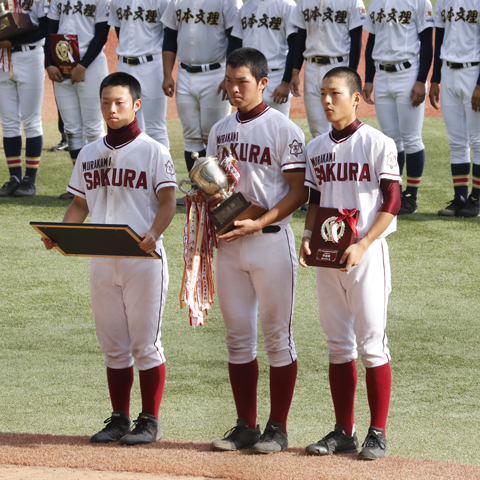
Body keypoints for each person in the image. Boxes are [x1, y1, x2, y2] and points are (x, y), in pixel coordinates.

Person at [41, 72, 177, 445]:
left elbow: (168, 202)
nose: (111, 109)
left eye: (119, 102)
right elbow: (80, 203)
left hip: (143, 258)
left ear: (136, 105)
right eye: (105, 102)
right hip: (102, 257)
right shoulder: (89, 152)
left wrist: (155, 233)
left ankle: (149, 420)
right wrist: (61, 233)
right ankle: (119, 418)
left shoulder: (153, 150)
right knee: (113, 345)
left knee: (146, 344)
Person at [207, 47, 308, 454]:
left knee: (277, 338)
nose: (233, 89)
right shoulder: (219, 130)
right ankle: (246, 425)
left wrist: (259, 221)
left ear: (262, 83)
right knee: (237, 338)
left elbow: (299, 192)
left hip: (270, 242)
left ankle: (278, 428)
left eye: (241, 82)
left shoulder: (284, 129)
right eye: (229, 81)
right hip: (230, 245)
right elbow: (216, 186)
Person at [299, 67, 400, 460]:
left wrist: (365, 243)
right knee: (337, 345)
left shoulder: (377, 143)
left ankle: (378, 432)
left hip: (366, 255)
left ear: (355, 98)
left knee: (372, 343)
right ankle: (344, 430)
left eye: (335, 93)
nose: (326, 100)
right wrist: (307, 239)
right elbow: (314, 200)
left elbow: (392, 199)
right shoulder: (316, 147)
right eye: (322, 93)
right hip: (327, 257)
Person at [362, 0, 433, 215]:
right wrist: (369, 78)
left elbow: (427, 42)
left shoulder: (419, 2)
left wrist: (421, 80)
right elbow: (371, 41)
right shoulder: (376, 3)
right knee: (390, 139)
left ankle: (411, 195)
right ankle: (395, 194)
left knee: (411, 138)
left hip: (408, 74)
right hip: (382, 75)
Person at [161, 0, 241, 179]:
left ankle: (219, 189)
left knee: (214, 135)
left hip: (215, 73)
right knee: (190, 136)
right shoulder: (176, 2)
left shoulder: (227, 2)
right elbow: (169, 38)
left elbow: (235, 39)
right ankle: (197, 190)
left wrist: (228, 76)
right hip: (184, 73)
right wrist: (167, 74)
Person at [45, 0, 111, 199]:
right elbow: (50, 30)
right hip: (61, 65)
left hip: (90, 67)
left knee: (93, 127)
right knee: (72, 129)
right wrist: (49, 63)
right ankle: (81, 186)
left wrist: (83, 65)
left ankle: (100, 184)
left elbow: (101, 34)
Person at [429, 0, 480, 217]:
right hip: (448, 71)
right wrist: (435, 79)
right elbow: (439, 39)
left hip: (473, 71)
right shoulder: (444, 1)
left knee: (477, 139)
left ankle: (476, 199)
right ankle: (460, 198)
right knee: (456, 140)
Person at [289, 0, 365, 139]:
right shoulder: (304, 2)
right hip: (311, 69)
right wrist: (295, 72)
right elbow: (300, 37)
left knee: (341, 125)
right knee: (316, 130)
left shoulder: (352, 2)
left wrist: (351, 74)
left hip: (339, 67)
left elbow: (356, 41)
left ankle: (344, 160)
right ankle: (324, 160)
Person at [0, 0, 47, 197]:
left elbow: (44, 28)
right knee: (9, 122)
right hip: (2, 59)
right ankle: (14, 178)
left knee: (31, 120)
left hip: (30, 56)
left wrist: (14, 42)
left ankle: (30, 180)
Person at [109, 0, 170, 148]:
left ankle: (163, 170)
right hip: (124, 65)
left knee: (156, 127)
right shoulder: (117, 1)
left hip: (152, 65)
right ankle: (136, 168)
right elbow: (118, 28)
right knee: (129, 125)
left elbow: (169, 32)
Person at [229, 0, 297, 117]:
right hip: (248, 75)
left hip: (276, 76)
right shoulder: (246, 7)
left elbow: (294, 46)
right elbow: (236, 45)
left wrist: (286, 82)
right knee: (248, 124)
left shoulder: (287, 5)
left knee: (277, 126)